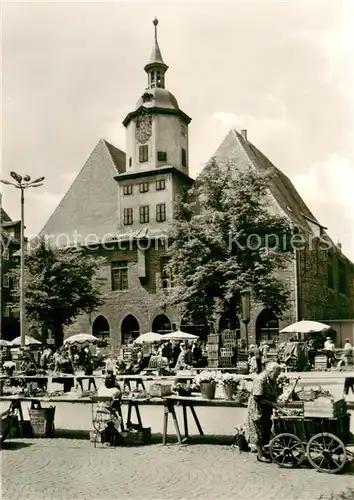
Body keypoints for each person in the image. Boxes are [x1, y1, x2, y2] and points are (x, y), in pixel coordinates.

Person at [244, 361, 282, 462]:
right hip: (258, 408)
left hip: (267, 407)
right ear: (270, 371)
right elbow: (258, 398)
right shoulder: (260, 379)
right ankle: (260, 455)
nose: (278, 375)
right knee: (258, 430)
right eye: (276, 373)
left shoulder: (272, 378)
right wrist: (273, 404)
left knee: (267, 428)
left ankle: (265, 450)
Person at [95, 375, 122, 446]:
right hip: (107, 414)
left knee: (109, 419)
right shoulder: (116, 390)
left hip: (97, 414)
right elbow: (119, 398)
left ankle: (106, 433)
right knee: (118, 418)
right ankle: (112, 435)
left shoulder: (100, 389)